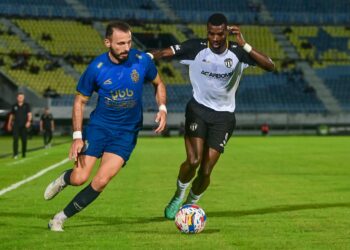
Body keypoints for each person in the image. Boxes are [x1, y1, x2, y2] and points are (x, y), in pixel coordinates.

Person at [148, 13, 275, 219]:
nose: (214, 39)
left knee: (206, 171)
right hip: (198, 110)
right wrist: (147, 56)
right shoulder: (195, 48)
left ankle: (190, 205)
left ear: (227, 32)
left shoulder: (238, 52)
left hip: (224, 117)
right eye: (211, 34)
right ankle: (178, 195)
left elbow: (270, 65)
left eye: (219, 34)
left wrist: (245, 45)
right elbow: (166, 52)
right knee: (194, 159)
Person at [44, 21, 167, 232]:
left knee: (101, 181)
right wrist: (76, 136)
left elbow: (159, 83)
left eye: (129, 42)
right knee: (80, 178)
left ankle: (59, 218)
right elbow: (79, 102)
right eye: (120, 44)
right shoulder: (96, 68)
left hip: (126, 133)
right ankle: (65, 179)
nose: (126, 48)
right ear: (107, 42)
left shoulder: (141, 61)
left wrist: (162, 107)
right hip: (99, 128)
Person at [7, 92, 32, 159]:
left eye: (22, 97)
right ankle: (15, 154)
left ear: (23, 98)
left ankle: (23, 153)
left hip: (24, 125)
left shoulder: (27, 105)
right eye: (19, 97)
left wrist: (29, 121)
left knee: (24, 140)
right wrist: (9, 124)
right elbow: (11, 115)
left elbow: (29, 114)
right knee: (15, 139)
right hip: (16, 125)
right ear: (17, 98)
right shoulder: (14, 106)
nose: (20, 98)